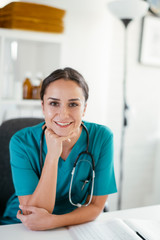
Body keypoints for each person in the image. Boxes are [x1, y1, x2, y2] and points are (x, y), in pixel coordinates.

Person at [1, 67, 117, 230]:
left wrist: (54, 221)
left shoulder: (102, 137)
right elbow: (34, 215)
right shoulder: (21, 142)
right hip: (20, 225)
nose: (63, 114)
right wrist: (52, 156)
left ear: (84, 108)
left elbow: (97, 206)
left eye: (73, 104)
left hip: (74, 224)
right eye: (54, 103)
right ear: (43, 106)